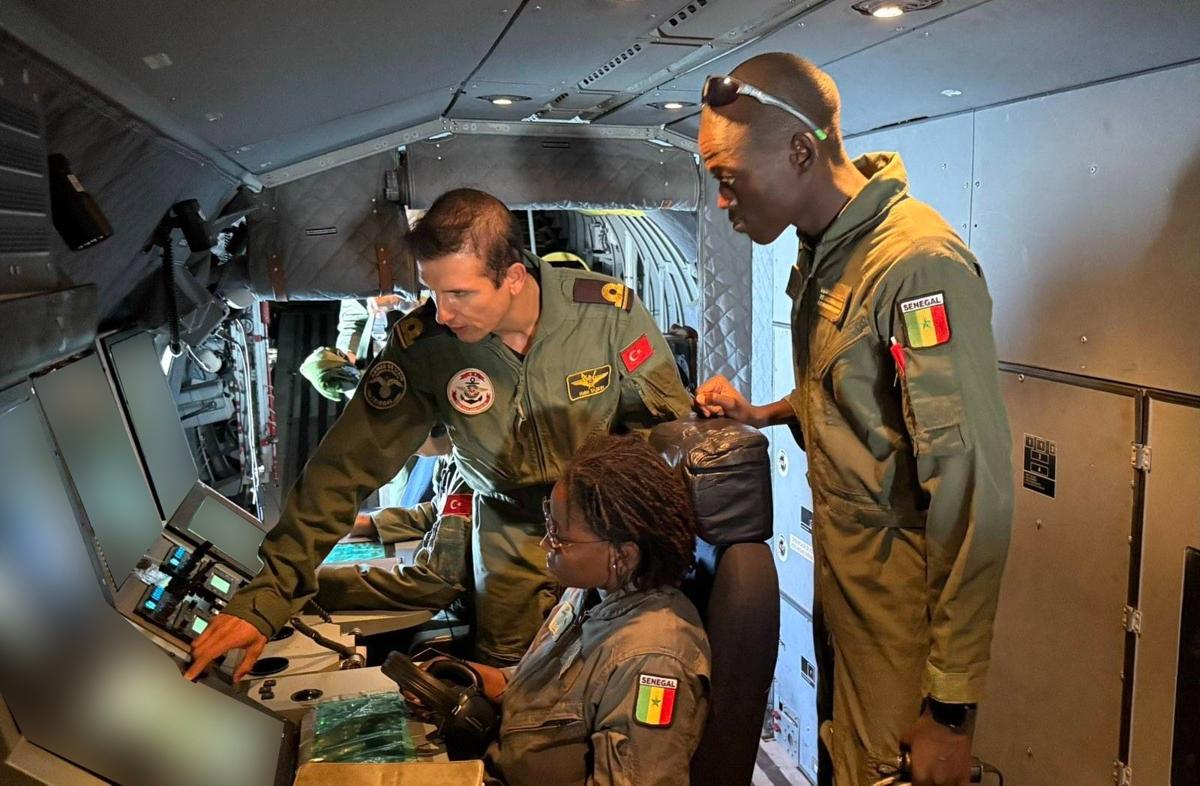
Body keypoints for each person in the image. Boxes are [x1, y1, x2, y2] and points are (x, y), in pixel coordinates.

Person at [185, 188, 692, 680]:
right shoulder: (426, 347)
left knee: (625, 664)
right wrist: (266, 599)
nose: (443, 313)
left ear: (514, 277)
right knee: (509, 682)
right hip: (506, 537)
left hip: (607, 532)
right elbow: (341, 470)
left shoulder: (606, 315)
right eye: (432, 291)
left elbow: (666, 437)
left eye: (460, 294)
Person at [694, 54, 1013, 786]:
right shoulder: (829, 249)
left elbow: (973, 492)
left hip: (902, 613)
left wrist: (950, 708)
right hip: (848, 591)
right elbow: (864, 401)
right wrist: (765, 412)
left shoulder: (915, 266)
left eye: (728, 176)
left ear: (799, 152)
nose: (722, 200)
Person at [400, 435, 710, 786]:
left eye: (561, 536)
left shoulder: (653, 660)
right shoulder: (592, 591)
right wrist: (466, 673)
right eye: (550, 525)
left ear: (622, 555)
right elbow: (549, 689)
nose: (546, 543)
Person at [317, 454, 475, 617]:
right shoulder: (450, 458)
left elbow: (435, 584)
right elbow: (439, 511)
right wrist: (372, 523)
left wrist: (318, 582)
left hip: (465, 612)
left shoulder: (471, 466)